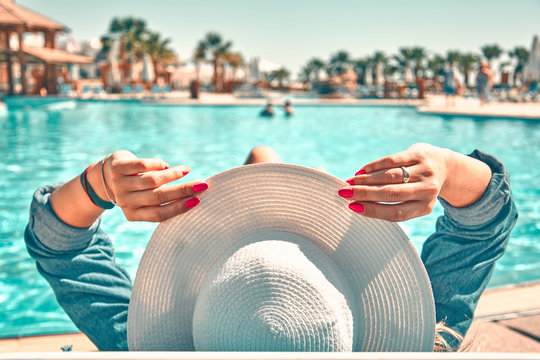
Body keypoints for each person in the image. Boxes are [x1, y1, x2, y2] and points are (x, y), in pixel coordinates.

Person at [24, 143, 517, 351]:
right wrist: (447, 167)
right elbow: (484, 221)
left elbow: (61, 248)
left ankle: (261, 164)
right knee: (264, 155)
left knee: (262, 155)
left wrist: (99, 184)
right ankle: (263, 163)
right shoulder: (428, 344)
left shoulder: (139, 349)